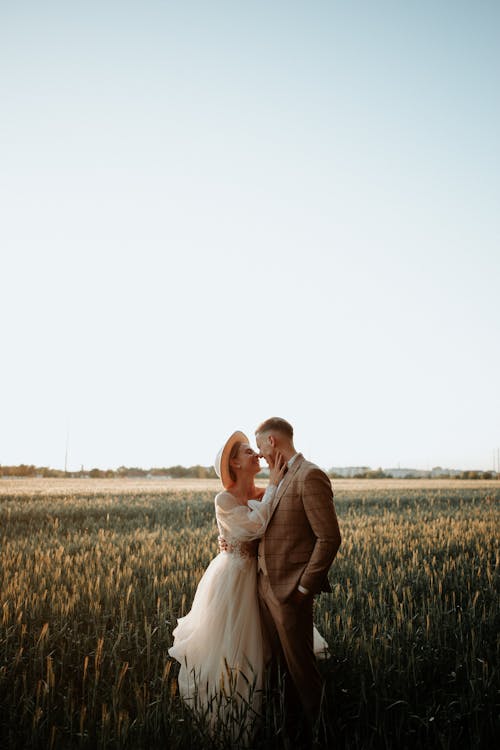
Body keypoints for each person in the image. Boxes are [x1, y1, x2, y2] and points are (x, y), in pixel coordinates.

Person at [168, 429, 330, 742]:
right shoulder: (225, 498)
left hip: (263, 576)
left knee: (269, 647)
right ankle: (239, 714)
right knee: (237, 648)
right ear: (234, 464)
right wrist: (271, 487)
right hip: (233, 578)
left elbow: (277, 526)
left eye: (253, 449)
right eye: (246, 451)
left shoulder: (264, 492)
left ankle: (279, 712)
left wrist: (270, 489)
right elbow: (255, 525)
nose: (254, 454)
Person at [254, 417, 342, 724]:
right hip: (264, 587)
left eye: (260, 447)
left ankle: (320, 732)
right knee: (277, 666)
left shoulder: (310, 475)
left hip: (291, 592)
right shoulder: (278, 478)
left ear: (272, 442)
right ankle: (288, 727)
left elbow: (329, 538)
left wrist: (304, 587)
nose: (260, 455)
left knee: (302, 668)